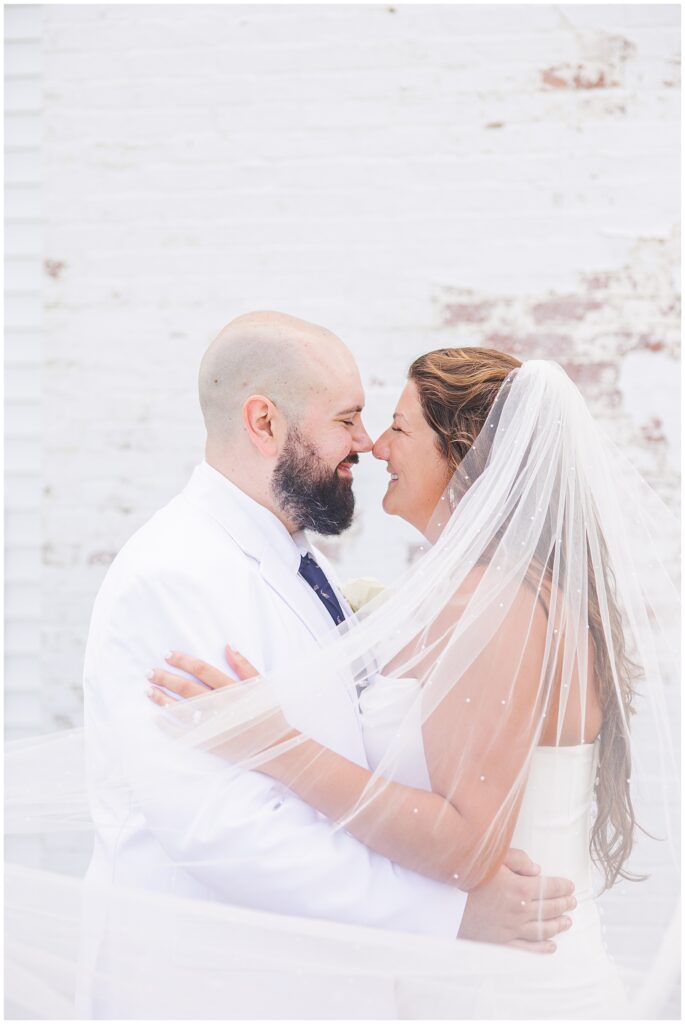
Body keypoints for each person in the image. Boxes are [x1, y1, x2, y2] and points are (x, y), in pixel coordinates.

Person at [146, 346, 679, 1017]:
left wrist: (273, 744)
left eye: (398, 428)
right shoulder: (474, 595)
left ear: (458, 454)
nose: (374, 447)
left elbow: (468, 846)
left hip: (507, 993)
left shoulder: (495, 607)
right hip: (461, 978)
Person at [76, 316, 574, 1018]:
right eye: (347, 420)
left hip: (315, 984)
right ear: (264, 422)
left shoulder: (302, 562)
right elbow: (222, 830)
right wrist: (446, 917)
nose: (365, 444)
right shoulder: (176, 574)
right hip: (209, 990)